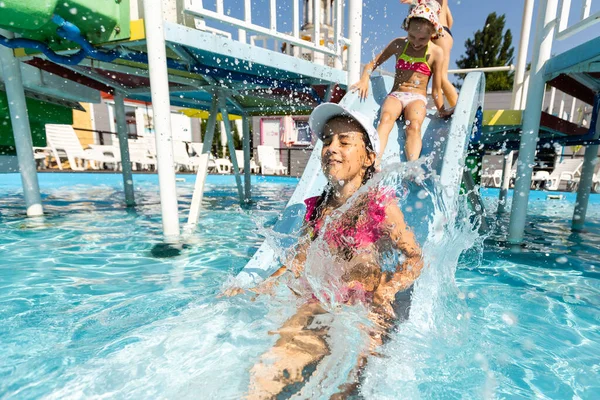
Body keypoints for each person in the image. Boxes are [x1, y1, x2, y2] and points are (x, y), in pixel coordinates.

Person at [225, 103, 423, 398]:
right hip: (319, 301)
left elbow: (415, 258)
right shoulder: (316, 208)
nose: (331, 148)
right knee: (265, 372)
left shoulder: (380, 206)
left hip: (362, 307)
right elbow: (300, 261)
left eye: (344, 141)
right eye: (327, 140)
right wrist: (263, 286)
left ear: (369, 158)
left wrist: (390, 287)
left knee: (341, 386)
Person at [350, 2, 451, 163]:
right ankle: (375, 161)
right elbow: (371, 64)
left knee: (414, 125)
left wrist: (442, 109)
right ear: (406, 28)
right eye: (412, 36)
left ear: (432, 33)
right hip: (396, 95)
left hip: (417, 98)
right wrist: (364, 79)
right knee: (386, 118)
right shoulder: (398, 44)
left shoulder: (436, 53)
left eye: (422, 39)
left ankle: (412, 166)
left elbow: (437, 89)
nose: (416, 42)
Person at [401, 0, 459, 108]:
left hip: (438, 33)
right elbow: (450, 21)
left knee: (441, 77)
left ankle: (460, 110)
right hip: (445, 33)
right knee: (430, 73)